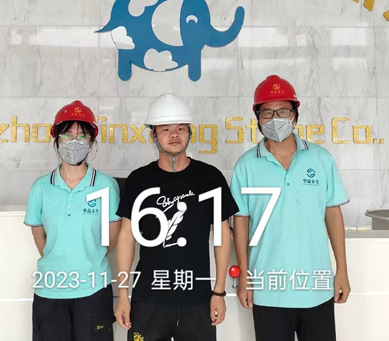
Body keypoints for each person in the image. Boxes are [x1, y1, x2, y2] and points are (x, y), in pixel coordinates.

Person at [230, 75, 350, 341]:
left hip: (316, 285)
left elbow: (333, 214)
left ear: (295, 115)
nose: (276, 119)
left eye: (283, 111)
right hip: (267, 288)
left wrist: (342, 269)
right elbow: (241, 221)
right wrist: (245, 276)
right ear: (258, 118)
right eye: (267, 112)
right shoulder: (246, 166)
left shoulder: (320, 159)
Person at [113, 93, 239, 341]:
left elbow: (222, 234)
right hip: (149, 298)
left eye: (181, 128)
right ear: (153, 135)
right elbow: (126, 237)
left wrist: (219, 292)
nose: (174, 135)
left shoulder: (210, 177)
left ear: (189, 132)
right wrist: (124, 295)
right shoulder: (139, 180)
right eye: (165, 129)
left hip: (197, 299)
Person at [25, 100, 122, 341]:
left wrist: (86, 258)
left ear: (91, 141)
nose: (74, 141)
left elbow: (111, 238)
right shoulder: (40, 188)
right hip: (50, 289)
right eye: (67, 134)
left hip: (93, 288)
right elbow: (40, 237)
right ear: (56, 139)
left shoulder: (106, 186)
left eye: (82, 135)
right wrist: (60, 259)